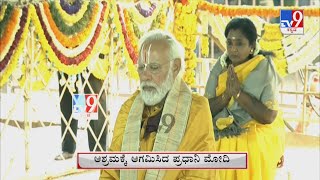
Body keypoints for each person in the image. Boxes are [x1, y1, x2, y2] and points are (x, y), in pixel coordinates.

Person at [100, 30, 219, 180]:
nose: (145, 75)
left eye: (154, 67)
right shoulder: (129, 108)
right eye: (141, 67)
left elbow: (200, 172)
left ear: (175, 67)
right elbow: (111, 169)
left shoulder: (196, 109)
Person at [204, 17, 285, 180]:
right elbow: (204, 109)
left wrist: (238, 94)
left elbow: (268, 117)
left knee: (248, 147)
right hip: (220, 127)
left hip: (253, 129)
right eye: (229, 43)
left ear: (251, 47)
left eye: (239, 43)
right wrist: (226, 96)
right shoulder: (220, 66)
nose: (233, 49)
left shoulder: (263, 67)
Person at [55, 71, 108, 160]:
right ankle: (68, 147)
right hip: (67, 59)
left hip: (91, 61)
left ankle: (97, 149)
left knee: (92, 95)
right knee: (68, 92)